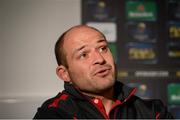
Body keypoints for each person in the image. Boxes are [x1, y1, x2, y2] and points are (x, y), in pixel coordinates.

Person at [33, 25, 173, 119]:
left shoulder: (153, 112)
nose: (99, 59)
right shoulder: (54, 114)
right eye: (84, 55)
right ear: (64, 74)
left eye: (102, 48)